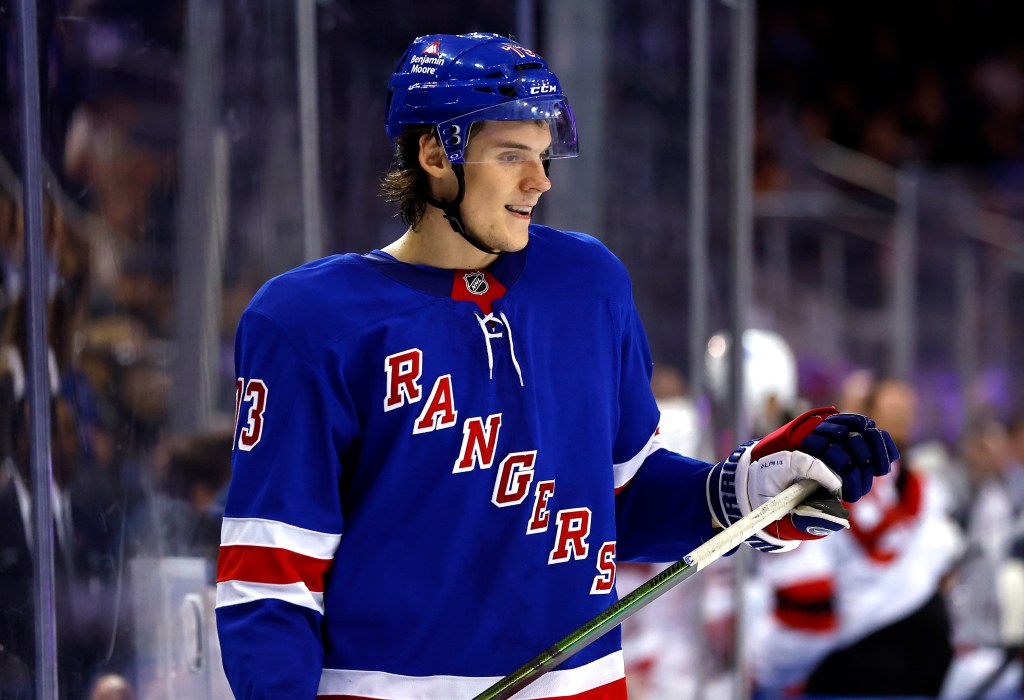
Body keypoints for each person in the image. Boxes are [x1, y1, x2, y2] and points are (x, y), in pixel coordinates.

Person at [215, 32, 897, 700]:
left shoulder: (588, 283)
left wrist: (750, 489)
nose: (539, 181)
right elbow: (272, 574)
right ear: (434, 153)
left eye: (544, 156)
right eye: (512, 154)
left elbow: (623, 495)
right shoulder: (308, 320)